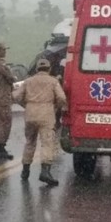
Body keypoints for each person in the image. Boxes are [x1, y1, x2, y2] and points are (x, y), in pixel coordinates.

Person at [14, 58, 67, 186]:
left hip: (30, 114)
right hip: (46, 114)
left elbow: (16, 96)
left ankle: (25, 171)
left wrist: (26, 105)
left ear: (37, 69)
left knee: (30, 142)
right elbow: (62, 97)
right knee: (47, 143)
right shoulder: (53, 81)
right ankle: (45, 171)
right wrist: (55, 107)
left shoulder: (28, 81)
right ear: (49, 69)